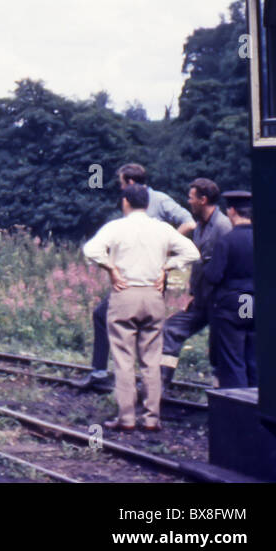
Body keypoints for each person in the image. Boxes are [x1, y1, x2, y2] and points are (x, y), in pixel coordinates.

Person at [82, 183, 200, 431]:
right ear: (147, 204)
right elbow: (192, 253)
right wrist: (166, 267)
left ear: (125, 202)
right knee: (151, 358)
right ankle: (151, 417)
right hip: (153, 295)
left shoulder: (115, 227)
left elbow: (90, 249)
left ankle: (126, 417)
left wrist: (111, 268)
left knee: (124, 359)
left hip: (124, 293)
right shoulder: (161, 229)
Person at [74, 163, 193, 391]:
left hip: (142, 277)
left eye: (121, 183)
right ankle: (145, 390)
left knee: (116, 320)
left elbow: (189, 221)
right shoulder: (149, 201)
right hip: (140, 275)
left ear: (129, 183)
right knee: (138, 325)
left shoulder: (156, 200)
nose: (120, 189)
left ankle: (117, 380)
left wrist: (167, 249)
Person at [160, 177, 232, 389]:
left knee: (219, 349)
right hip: (201, 301)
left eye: (191, 198)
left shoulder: (223, 226)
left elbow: (226, 266)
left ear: (203, 199)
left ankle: (223, 396)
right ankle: (162, 384)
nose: (188, 202)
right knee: (171, 329)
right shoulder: (200, 226)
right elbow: (199, 265)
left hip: (219, 301)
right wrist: (193, 295)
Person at [205, 190, 256, 388]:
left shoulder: (226, 241)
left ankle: (239, 406)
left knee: (233, 359)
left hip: (235, 303)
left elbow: (213, 276)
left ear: (232, 211)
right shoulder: (262, 239)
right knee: (253, 358)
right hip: (254, 302)